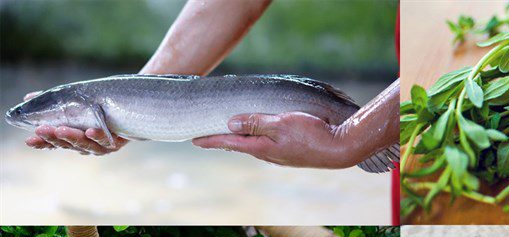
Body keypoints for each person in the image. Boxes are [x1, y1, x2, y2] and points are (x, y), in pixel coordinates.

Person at [22, 0, 399, 174]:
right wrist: (138, 108)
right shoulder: (93, 104)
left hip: (436, 97)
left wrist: (353, 138)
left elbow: (455, 67)